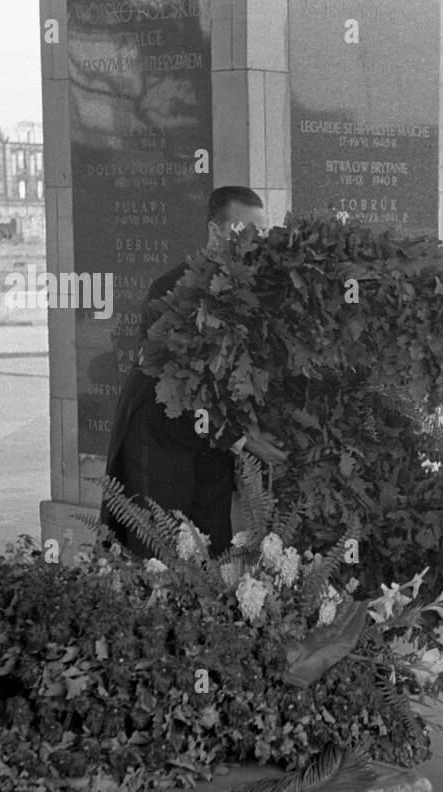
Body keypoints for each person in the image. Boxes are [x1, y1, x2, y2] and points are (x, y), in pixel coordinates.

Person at [102, 186, 287, 558]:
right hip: (160, 437)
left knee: (212, 539)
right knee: (162, 546)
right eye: (242, 231)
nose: (254, 242)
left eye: (260, 232)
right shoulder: (170, 290)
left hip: (211, 439)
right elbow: (186, 389)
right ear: (215, 231)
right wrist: (245, 440)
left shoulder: (248, 287)